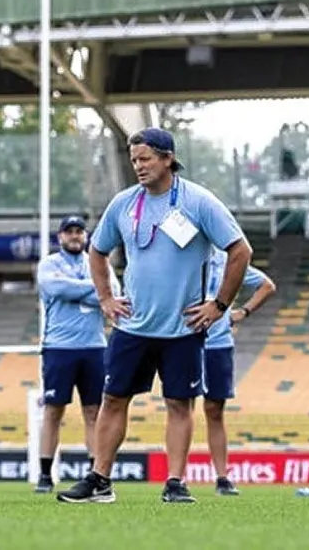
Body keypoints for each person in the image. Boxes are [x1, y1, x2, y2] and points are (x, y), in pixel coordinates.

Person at [56, 127, 252, 505]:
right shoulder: (124, 203)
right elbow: (97, 253)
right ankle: (100, 480)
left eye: (145, 159)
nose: (138, 167)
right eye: (133, 160)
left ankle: (175, 483)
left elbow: (240, 250)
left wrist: (219, 305)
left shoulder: (198, 202)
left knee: (180, 403)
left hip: (184, 326)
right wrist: (106, 298)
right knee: (113, 399)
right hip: (133, 325)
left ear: (167, 157)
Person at [34, 215, 121, 494]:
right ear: (60, 236)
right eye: (69, 232)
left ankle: (95, 473)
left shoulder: (98, 263)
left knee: (94, 411)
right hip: (59, 346)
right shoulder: (49, 264)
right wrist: (97, 290)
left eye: (79, 231)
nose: (74, 236)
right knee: (53, 410)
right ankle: (45, 474)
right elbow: (55, 287)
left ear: (86, 236)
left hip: (94, 346)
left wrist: (79, 291)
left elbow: (115, 295)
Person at [202, 246, 276, 496]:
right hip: (183, 339)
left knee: (215, 410)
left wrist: (242, 312)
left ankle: (222, 478)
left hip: (218, 343)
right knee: (179, 406)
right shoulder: (184, 253)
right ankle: (176, 478)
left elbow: (267, 285)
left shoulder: (228, 260)